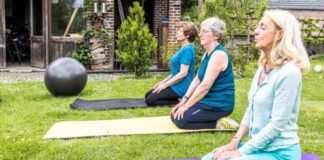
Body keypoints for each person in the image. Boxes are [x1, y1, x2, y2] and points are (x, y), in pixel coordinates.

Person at [202, 10, 310, 160]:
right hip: (258, 147)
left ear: (280, 34)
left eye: (263, 28)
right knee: (209, 158)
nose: (255, 32)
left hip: (280, 153)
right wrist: (235, 142)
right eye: (257, 27)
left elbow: (277, 125)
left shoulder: (289, 73)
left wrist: (240, 152)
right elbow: (250, 109)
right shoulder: (263, 68)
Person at [170, 17, 235, 129]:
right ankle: (216, 120)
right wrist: (184, 100)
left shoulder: (218, 55)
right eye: (201, 31)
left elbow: (205, 86)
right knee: (175, 114)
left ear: (217, 36)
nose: (200, 34)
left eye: (205, 32)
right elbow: (197, 80)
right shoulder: (207, 53)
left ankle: (219, 123)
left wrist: (186, 106)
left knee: (181, 120)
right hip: (208, 100)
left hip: (219, 104)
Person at [145, 22, 198, 106]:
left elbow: (183, 73)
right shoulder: (183, 49)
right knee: (148, 95)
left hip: (181, 86)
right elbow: (174, 73)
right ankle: (174, 98)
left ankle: (179, 102)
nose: (177, 32)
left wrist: (165, 85)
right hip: (174, 83)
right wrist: (161, 83)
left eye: (180, 31)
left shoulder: (188, 50)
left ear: (187, 35)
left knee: (150, 100)